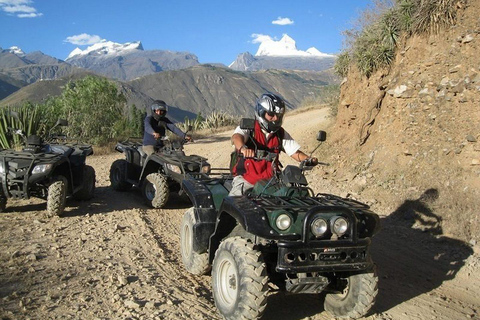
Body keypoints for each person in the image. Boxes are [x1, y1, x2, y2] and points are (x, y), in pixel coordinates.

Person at [229, 93, 317, 196]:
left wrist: (309, 159)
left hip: (272, 181)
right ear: (261, 112)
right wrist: (243, 149)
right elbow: (237, 137)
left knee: (293, 197)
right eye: (271, 115)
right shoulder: (249, 127)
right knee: (236, 203)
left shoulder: (280, 133)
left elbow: (295, 152)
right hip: (247, 179)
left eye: (278, 116)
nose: (275, 118)